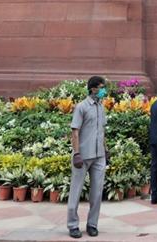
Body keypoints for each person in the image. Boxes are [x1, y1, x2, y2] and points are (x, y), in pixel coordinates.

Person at [68, 76, 108, 239]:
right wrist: (76, 154)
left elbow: (102, 131)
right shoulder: (81, 107)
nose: (104, 90)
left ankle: (92, 224)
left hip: (99, 156)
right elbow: (75, 132)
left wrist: (106, 150)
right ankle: (72, 225)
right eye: (101, 87)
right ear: (93, 88)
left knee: (97, 192)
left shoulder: (101, 107)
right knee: (76, 190)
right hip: (83, 155)